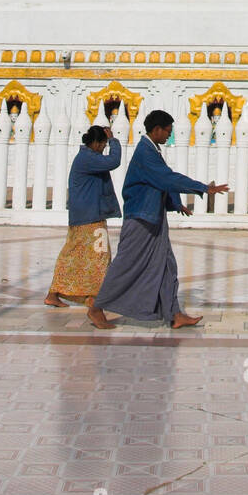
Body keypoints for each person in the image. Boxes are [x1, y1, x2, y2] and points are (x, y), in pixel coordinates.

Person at [87, 108, 227, 331]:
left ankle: (174, 314)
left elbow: (162, 179)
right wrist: (203, 188)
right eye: (168, 131)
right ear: (157, 130)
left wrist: (175, 203)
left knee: (166, 265)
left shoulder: (152, 150)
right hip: (141, 218)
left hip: (153, 217)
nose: (169, 136)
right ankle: (97, 306)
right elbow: (166, 177)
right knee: (126, 265)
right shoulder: (145, 152)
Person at [44, 124, 121, 308]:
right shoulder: (88, 158)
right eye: (102, 145)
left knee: (74, 254)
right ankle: (94, 297)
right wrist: (114, 140)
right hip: (90, 217)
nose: (104, 149)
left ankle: (56, 293)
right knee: (101, 255)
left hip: (84, 215)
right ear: (95, 143)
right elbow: (114, 161)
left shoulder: (87, 157)